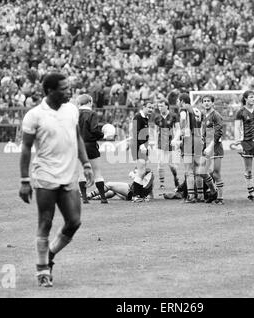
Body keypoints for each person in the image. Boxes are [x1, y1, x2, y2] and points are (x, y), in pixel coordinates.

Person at [19, 73, 94, 288]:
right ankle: (42, 270)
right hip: (45, 175)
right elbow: (25, 147)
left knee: (74, 221)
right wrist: (24, 180)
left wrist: (86, 164)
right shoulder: (34, 115)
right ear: (50, 91)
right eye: (64, 88)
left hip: (69, 175)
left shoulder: (72, 109)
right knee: (46, 221)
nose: (69, 91)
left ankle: (49, 254)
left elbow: (78, 136)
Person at [173, 93, 215, 203]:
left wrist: (182, 130)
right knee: (198, 169)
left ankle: (191, 196)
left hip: (188, 141)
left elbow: (182, 118)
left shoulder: (183, 109)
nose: (178, 103)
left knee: (189, 170)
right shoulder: (197, 110)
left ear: (182, 101)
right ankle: (200, 195)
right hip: (198, 140)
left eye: (178, 101)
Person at [75, 94, 107, 204]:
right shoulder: (92, 113)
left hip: (78, 146)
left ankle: (84, 198)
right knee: (97, 172)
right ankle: (103, 198)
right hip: (90, 145)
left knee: (81, 172)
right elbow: (93, 130)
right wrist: (102, 135)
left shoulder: (75, 113)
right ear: (89, 102)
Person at [201, 94, 224, 204]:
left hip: (215, 148)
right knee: (202, 171)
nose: (206, 102)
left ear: (212, 103)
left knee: (216, 173)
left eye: (208, 101)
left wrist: (210, 146)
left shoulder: (216, 115)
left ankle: (220, 198)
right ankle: (213, 192)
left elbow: (219, 132)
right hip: (206, 147)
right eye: (204, 101)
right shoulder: (205, 116)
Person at [153, 98, 180, 191]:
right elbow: (156, 131)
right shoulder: (157, 117)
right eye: (159, 106)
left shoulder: (173, 115)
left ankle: (176, 180)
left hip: (171, 143)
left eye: (161, 106)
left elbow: (178, 129)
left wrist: (176, 139)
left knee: (171, 165)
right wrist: (155, 143)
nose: (160, 108)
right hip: (161, 143)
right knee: (160, 164)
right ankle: (162, 184)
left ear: (166, 106)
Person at [130, 101, 155, 202]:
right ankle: (135, 196)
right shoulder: (137, 117)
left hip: (143, 146)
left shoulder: (146, 118)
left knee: (143, 170)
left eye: (152, 108)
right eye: (149, 107)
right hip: (138, 146)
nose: (151, 109)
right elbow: (135, 132)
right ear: (143, 107)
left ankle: (139, 195)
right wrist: (141, 145)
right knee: (141, 171)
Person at [87, 168, 154, 201]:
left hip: (131, 193)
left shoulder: (144, 171)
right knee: (114, 191)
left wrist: (133, 174)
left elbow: (133, 175)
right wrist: (147, 197)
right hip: (132, 195)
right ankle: (95, 197)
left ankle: (90, 195)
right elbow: (151, 195)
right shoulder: (150, 177)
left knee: (109, 185)